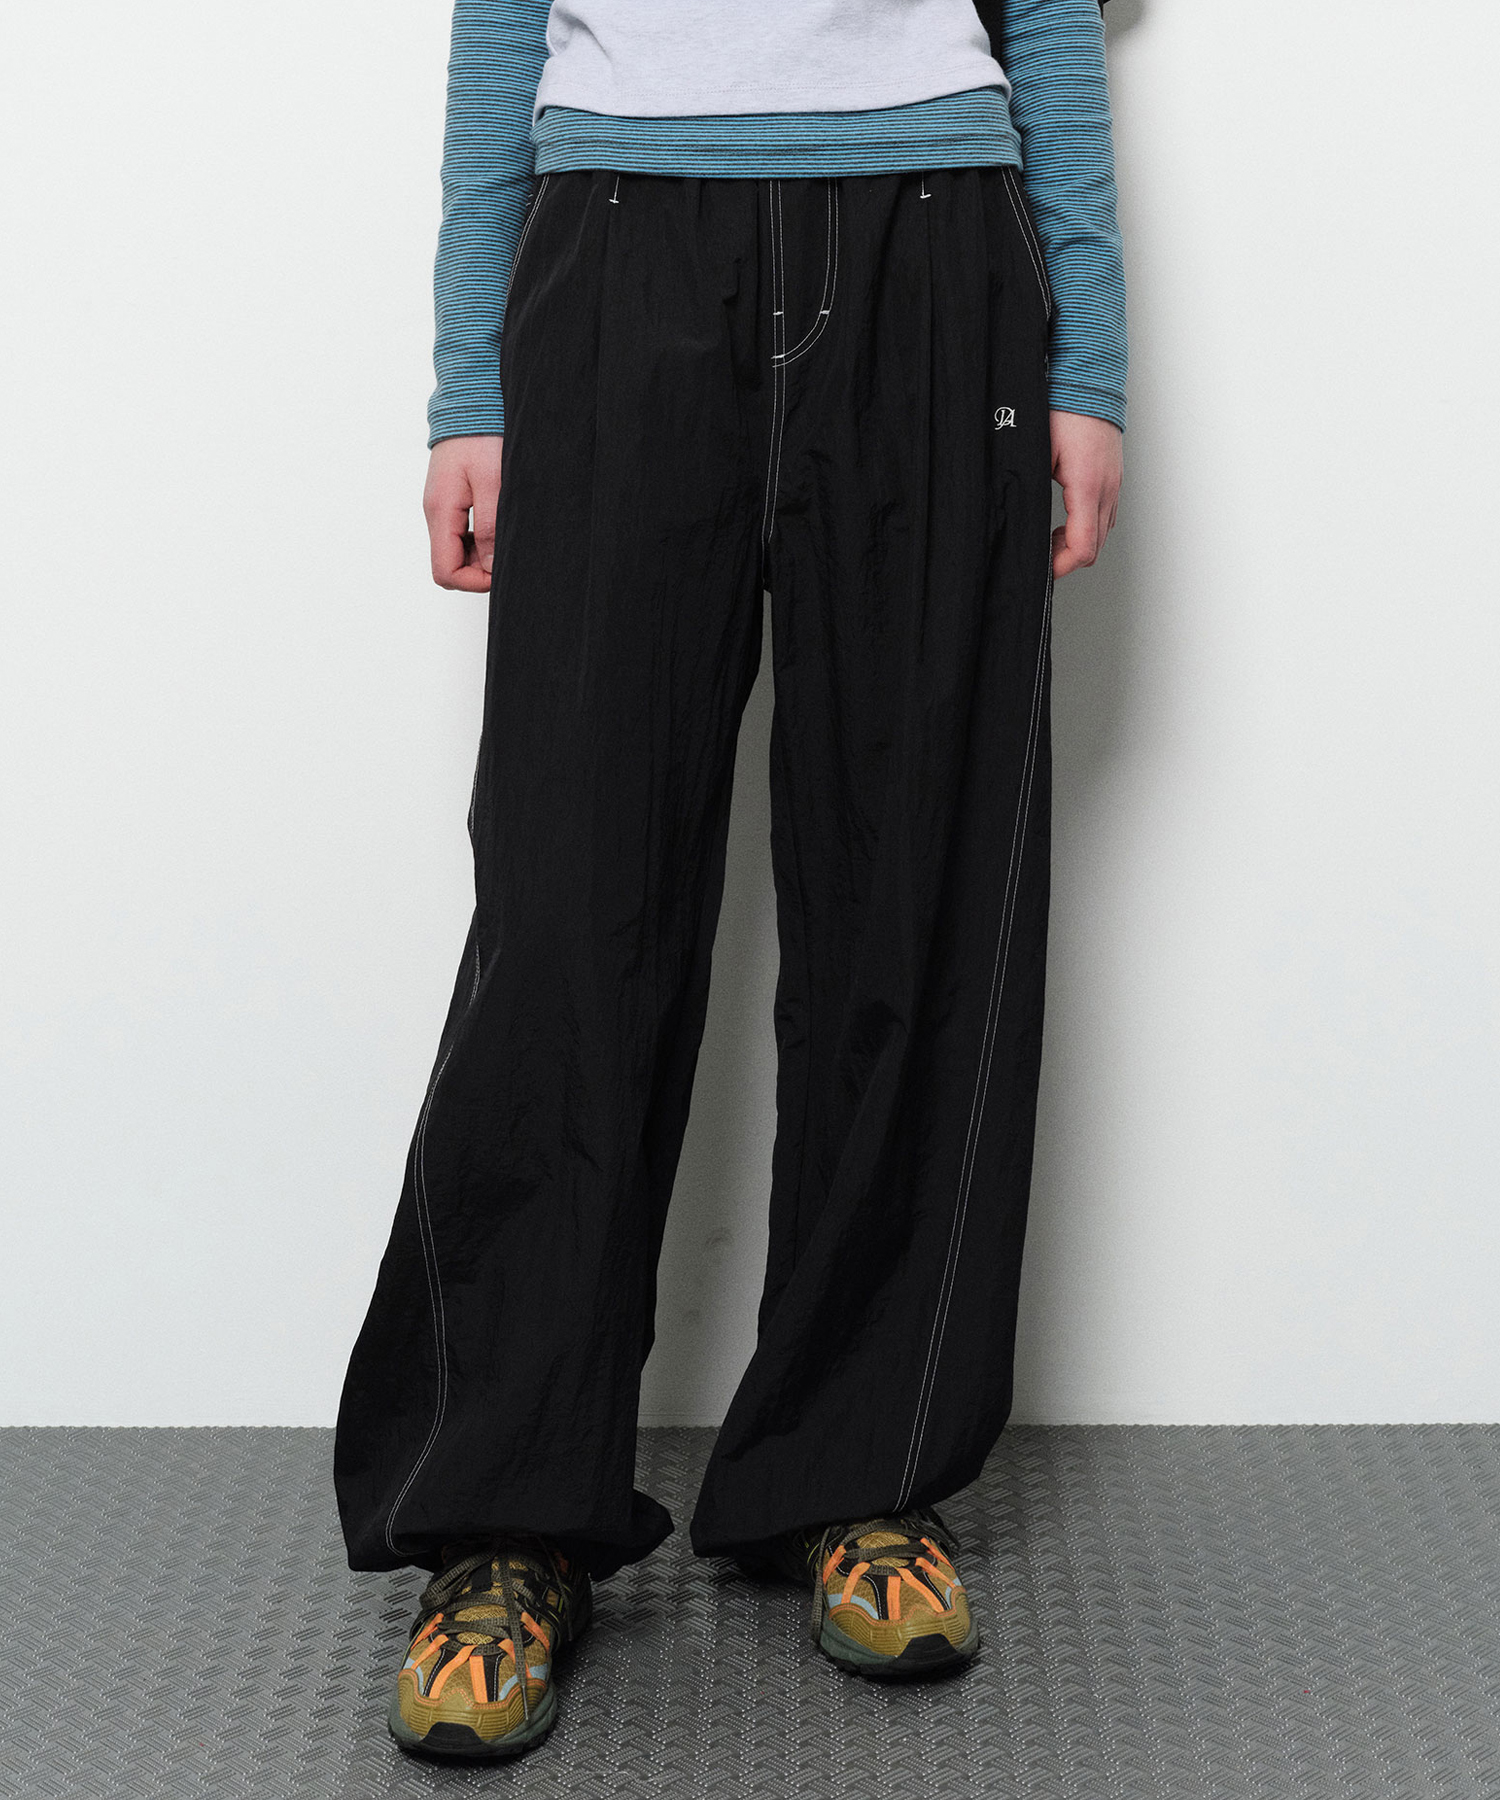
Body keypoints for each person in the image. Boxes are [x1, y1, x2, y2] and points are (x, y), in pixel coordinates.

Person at [334, 0, 1126, 1761]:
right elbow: (499, 21)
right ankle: (507, 1512)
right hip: (618, 242)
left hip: (935, 240)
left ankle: (861, 1477)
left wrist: (1089, 362)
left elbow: (1053, 19)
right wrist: (471, 381)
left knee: (914, 893)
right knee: (569, 912)